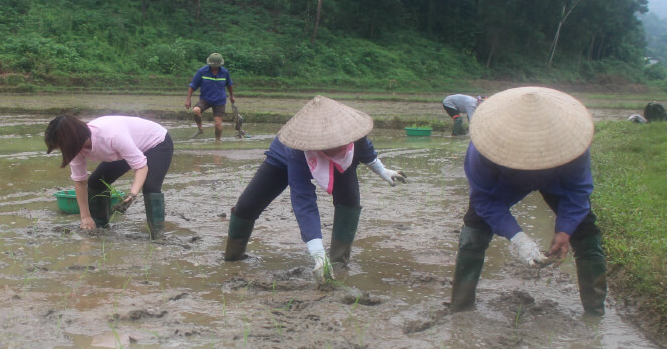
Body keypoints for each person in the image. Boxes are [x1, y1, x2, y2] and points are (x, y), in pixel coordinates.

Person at [449, 86, 606, 315]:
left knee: (587, 234)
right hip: (506, 181)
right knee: (473, 235)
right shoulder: (483, 149)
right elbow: (484, 199)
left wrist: (565, 230)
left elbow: (577, 191)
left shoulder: (572, 143)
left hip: (556, 179)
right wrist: (518, 238)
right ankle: (460, 308)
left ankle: (595, 312)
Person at [224, 95, 407, 282]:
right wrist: (318, 254)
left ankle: (338, 265)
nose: (336, 146)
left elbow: (365, 149)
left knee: (349, 201)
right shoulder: (297, 148)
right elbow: (303, 200)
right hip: (283, 161)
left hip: (342, 165)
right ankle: (232, 258)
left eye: (340, 142)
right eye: (330, 145)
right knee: (247, 205)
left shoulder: (353, 133)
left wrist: (382, 170)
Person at [45, 114, 174, 239]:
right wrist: (85, 217)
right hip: (128, 147)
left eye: (62, 146)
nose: (63, 151)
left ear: (73, 139)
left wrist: (132, 194)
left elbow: (141, 167)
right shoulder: (75, 149)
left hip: (157, 142)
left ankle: (157, 234)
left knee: (150, 186)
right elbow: (80, 182)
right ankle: (99, 225)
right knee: (96, 182)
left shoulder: (112, 136)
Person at [185, 52, 235, 140]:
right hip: (205, 99)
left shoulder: (225, 72)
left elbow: (229, 85)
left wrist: (231, 96)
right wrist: (188, 99)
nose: (215, 67)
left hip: (219, 100)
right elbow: (192, 86)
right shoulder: (202, 72)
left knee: (218, 125)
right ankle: (200, 128)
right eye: (213, 66)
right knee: (196, 110)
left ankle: (218, 141)